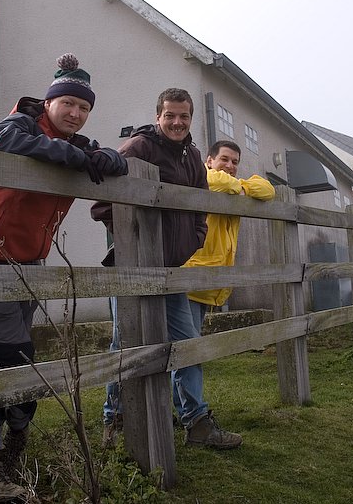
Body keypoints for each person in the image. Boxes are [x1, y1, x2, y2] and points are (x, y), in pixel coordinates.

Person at [0, 53, 127, 503]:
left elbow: (117, 165)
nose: (76, 113)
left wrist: (101, 156)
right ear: (49, 101)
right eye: (67, 102)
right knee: (17, 357)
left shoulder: (75, 142)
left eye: (84, 107)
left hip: (29, 260)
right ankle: (13, 440)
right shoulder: (20, 125)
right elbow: (8, 145)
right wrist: (79, 156)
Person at [91, 88, 242, 450]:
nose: (177, 122)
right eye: (170, 115)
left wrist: (191, 240)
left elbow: (200, 206)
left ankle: (196, 422)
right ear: (159, 115)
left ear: (191, 119)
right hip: (131, 268)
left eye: (184, 116)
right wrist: (138, 238)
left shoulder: (191, 155)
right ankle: (116, 420)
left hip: (173, 270)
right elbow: (102, 205)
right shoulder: (138, 148)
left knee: (188, 344)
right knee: (125, 343)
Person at [184, 140, 276, 330]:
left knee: (191, 344)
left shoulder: (231, 188)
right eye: (224, 159)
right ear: (209, 161)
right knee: (187, 346)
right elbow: (215, 181)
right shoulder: (198, 176)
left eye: (235, 162)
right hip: (190, 279)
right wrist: (242, 188)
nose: (230, 166)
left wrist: (242, 188)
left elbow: (268, 190)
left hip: (208, 282)